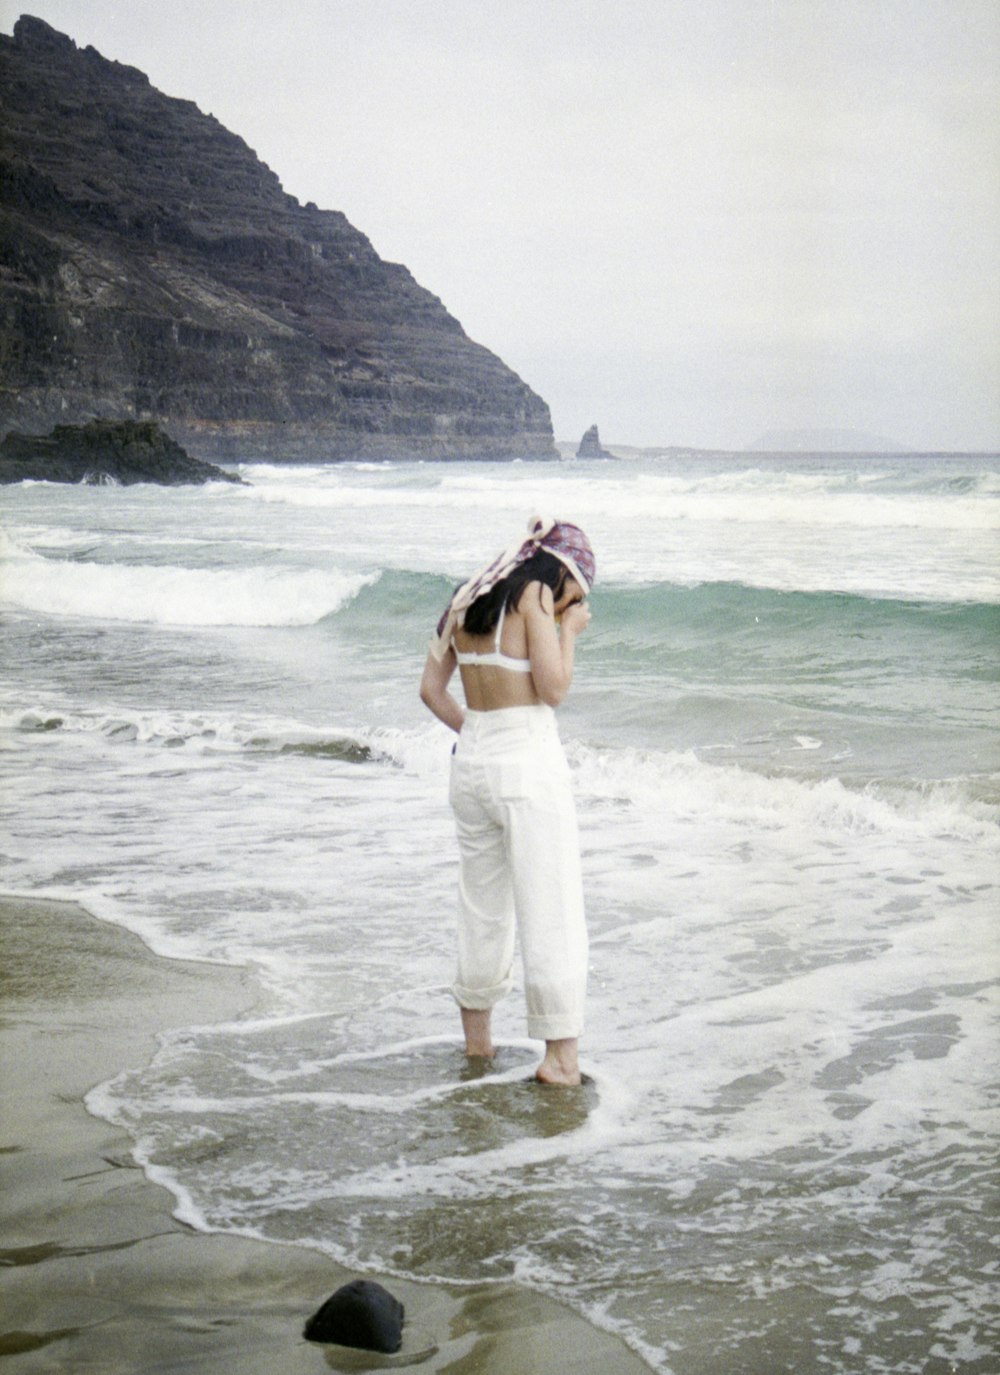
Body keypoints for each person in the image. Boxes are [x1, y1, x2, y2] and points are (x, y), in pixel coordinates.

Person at [420, 515, 595, 1086]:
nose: (572, 603)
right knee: (551, 907)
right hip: (527, 764)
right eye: (578, 592)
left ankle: (479, 1046)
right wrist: (568, 633)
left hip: (471, 763)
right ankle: (560, 1060)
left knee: (482, 908)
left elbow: (430, 690)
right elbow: (553, 688)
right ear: (564, 573)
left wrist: (475, 733)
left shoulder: (470, 592)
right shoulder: (535, 595)